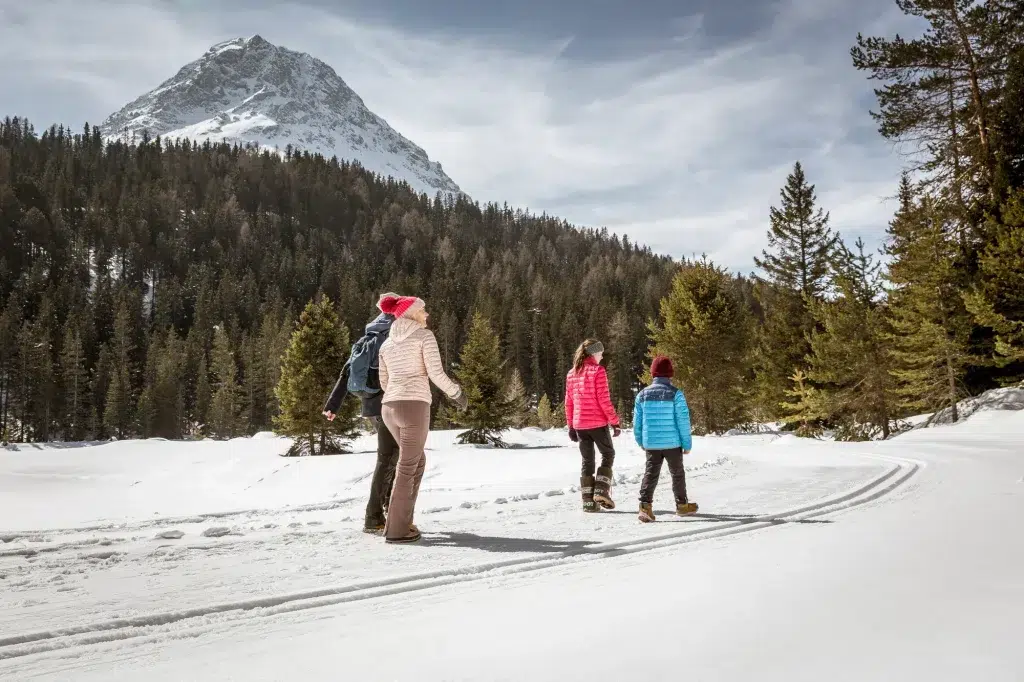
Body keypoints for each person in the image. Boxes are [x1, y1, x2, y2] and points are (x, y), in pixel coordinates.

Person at [377, 294, 467, 544]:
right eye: (422, 310)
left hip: (389, 408)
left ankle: (403, 520)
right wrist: (456, 393)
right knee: (408, 465)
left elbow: (384, 381)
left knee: (416, 461)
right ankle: (397, 530)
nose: (426, 315)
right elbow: (435, 373)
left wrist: (397, 394)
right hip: (414, 406)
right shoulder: (423, 336)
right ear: (410, 313)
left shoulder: (386, 344)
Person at [323, 294, 399, 535]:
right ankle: (374, 516)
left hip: (371, 406)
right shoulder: (393, 334)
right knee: (388, 458)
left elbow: (347, 372)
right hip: (389, 403)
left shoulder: (368, 336)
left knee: (393, 457)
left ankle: (387, 507)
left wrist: (332, 405)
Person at [632, 355, 698, 523]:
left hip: (651, 444)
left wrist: (641, 441)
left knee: (650, 473)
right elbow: (683, 421)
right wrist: (687, 444)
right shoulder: (676, 394)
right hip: (673, 444)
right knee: (677, 473)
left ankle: (645, 506)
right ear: (670, 374)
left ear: (653, 373)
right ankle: (682, 505)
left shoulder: (642, 395)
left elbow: (637, 423)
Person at [565, 339, 620, 512]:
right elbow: (604, 400)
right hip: (597, 423)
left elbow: (569, 403)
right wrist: (615, 422)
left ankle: (588, 502)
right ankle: (601, 491)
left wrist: (571, 426)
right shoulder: (598, 371)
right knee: (608, 453)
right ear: (593, 353)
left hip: (580, 424)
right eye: (600, 352)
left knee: (587, 460)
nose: (602, 355)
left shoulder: (572, 373)